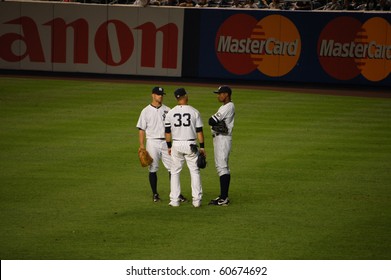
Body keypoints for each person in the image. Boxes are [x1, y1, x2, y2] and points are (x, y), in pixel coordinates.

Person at [136, 86, 187, 203]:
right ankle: (155, 194)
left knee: (173, 168)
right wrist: (141, 145)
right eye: (159, 94)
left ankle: (177, 194)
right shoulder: (145, 111)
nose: (161, 96)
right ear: (153, 95)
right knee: (153, 168)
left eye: (162, 94)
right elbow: (141, 129)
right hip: (152, 142)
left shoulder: (168, 110)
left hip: (166, 143)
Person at [165, 88, 205, 208]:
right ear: (185, 96)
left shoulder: (170, 113)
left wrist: (169, 146)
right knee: (194, 171)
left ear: (177, 98)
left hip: (176, 144)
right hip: (190, 145)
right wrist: (202, 147)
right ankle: (197, 201)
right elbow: (199, 132)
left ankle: (174, 200)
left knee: (175, 172)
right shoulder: (194, 112)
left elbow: (167, 132)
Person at [208, 86, 235, 207]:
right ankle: (223, 196)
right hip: (219, 138)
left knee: (223, 167)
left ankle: (224, 198)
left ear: (226, 94)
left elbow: (211, 121)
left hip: (223, 139)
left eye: (220, 94)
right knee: (221, 167)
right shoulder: (224, 107)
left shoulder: (229, 106)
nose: (218, 96)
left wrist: (215, 122)